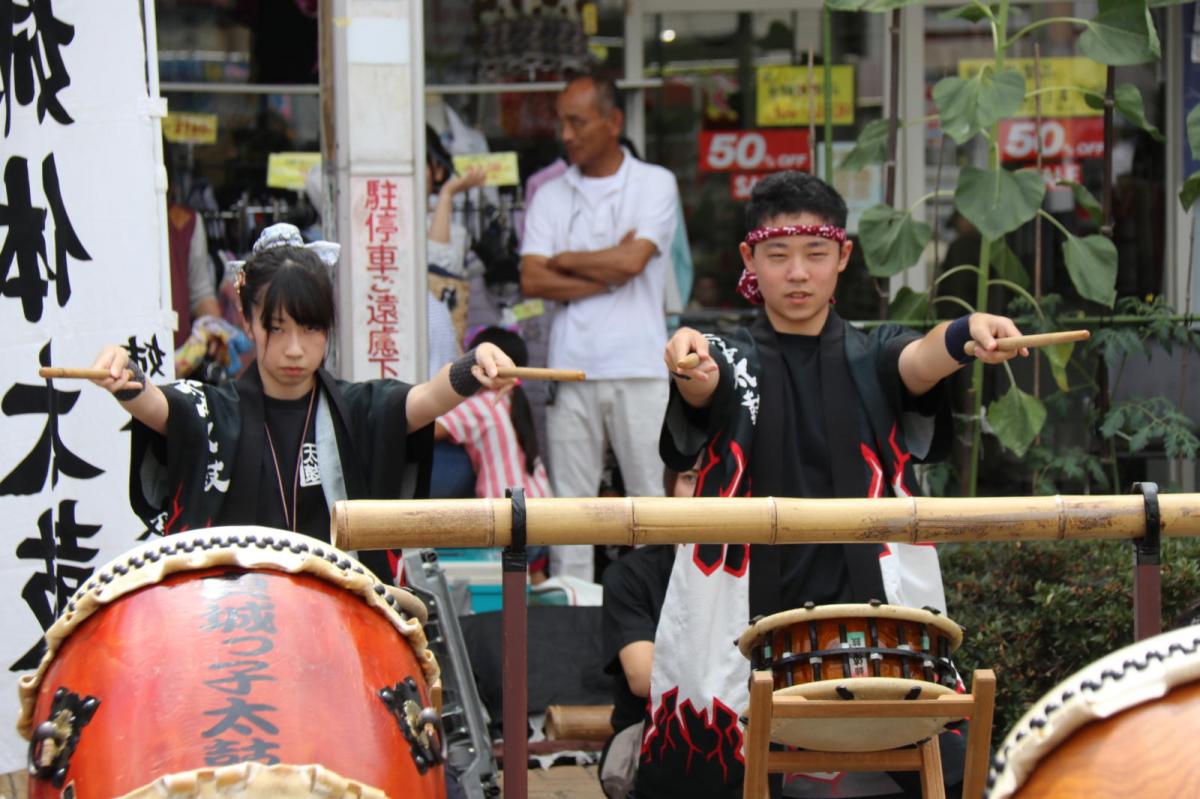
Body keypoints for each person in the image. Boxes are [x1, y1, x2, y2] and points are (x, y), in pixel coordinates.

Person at [640, 171, 1028, 798]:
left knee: (924, 755)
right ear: (749, 258)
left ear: (843, 256)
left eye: (816, 254)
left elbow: (920, 359)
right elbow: (703, 375)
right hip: (746, 591)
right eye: (778, 254)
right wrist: (690, 365)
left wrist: (964, 334)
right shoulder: (728, 357)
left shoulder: (874, 353)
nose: (798, 273)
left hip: (865, 589)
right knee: (714, 754)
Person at [89, 223, 516, 582]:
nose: (295, 349)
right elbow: (160, 408)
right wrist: (127, 379)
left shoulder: (356, 408)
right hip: (231, 629)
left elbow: (425, 398)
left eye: (311, 329)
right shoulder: (216, 411)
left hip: (337, 625)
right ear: (246, 319)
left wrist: (471, 367)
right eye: (277, 327)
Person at [519, 72, 680, 581]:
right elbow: (532, 276)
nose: (566, 134)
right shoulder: (549, 193)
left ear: (613, 122)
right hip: (571, 368)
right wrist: (608, 267)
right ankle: (575, 621)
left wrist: (564, 259)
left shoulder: (655, 182)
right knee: (572, 511)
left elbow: (634, 262)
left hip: (640, 365)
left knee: (653, 506)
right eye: (561, 122)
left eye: (577, 121)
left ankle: (661, 620)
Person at [597, 463, 698, 799]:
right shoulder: (630, 575)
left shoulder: (761, 564)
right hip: (653, 730)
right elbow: (644, 678)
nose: (701, 490)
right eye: (690, 477)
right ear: (669, 487)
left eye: (714, 476)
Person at [436, 326, 552, 578]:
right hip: (544, 512)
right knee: (533, 589)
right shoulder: (515, 400)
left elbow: (428, 429)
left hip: (509, 519)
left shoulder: (481, 405)